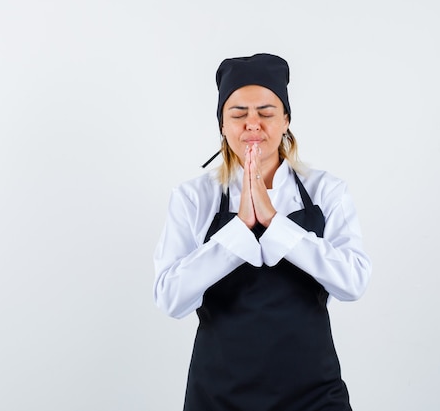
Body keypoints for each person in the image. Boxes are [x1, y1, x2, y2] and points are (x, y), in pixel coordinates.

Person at [153, 53, 372, 411]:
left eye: (266, 113)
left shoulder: (327, 191)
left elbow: (353, 282)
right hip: (218, 394)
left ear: (286, 120)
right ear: (222, 125)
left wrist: (275, 222)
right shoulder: (193, 198)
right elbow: (170, 298)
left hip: (314, 394)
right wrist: (238, 229)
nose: (252, 124)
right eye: (238, 114)